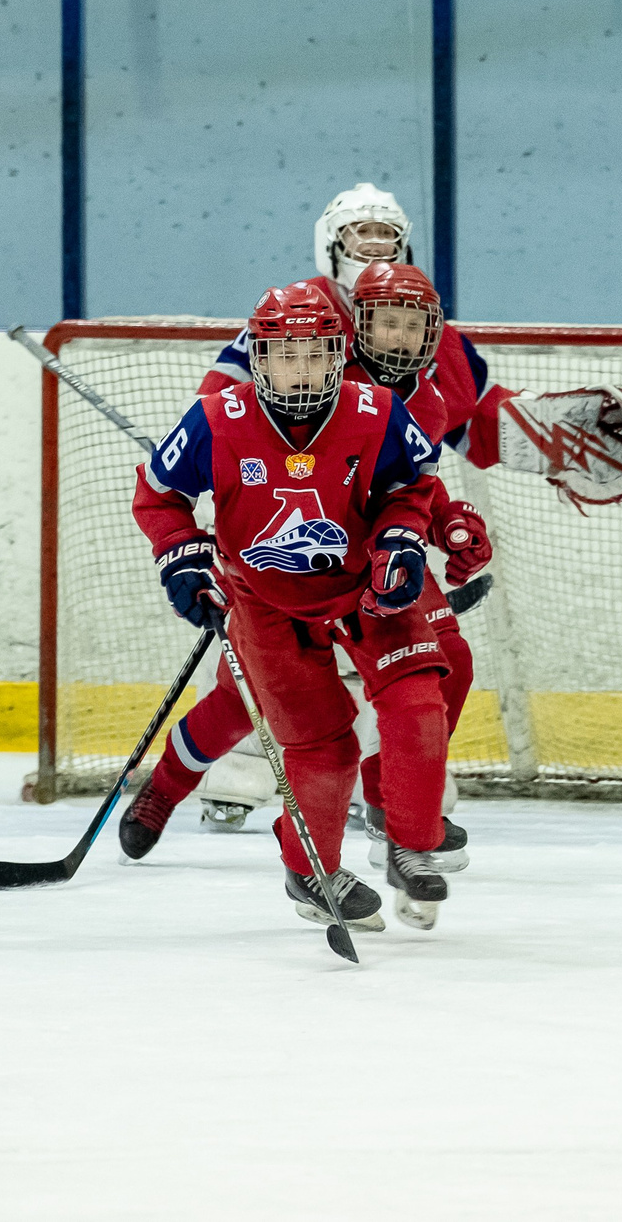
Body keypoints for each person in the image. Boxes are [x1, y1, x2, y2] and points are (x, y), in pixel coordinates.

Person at [118, 260, 491, 874]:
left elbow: (408, 480)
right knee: (246, 701)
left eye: (411, 324)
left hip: (371, 564)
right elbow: (175, 481)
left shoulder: (414, 396)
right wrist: (185, 548)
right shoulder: (285, 380)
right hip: (274, 576)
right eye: (384, 321)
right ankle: (164, 788)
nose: (397, 337)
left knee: (443, 667)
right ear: (357, 326)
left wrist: (441, 526)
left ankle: (391, 810)